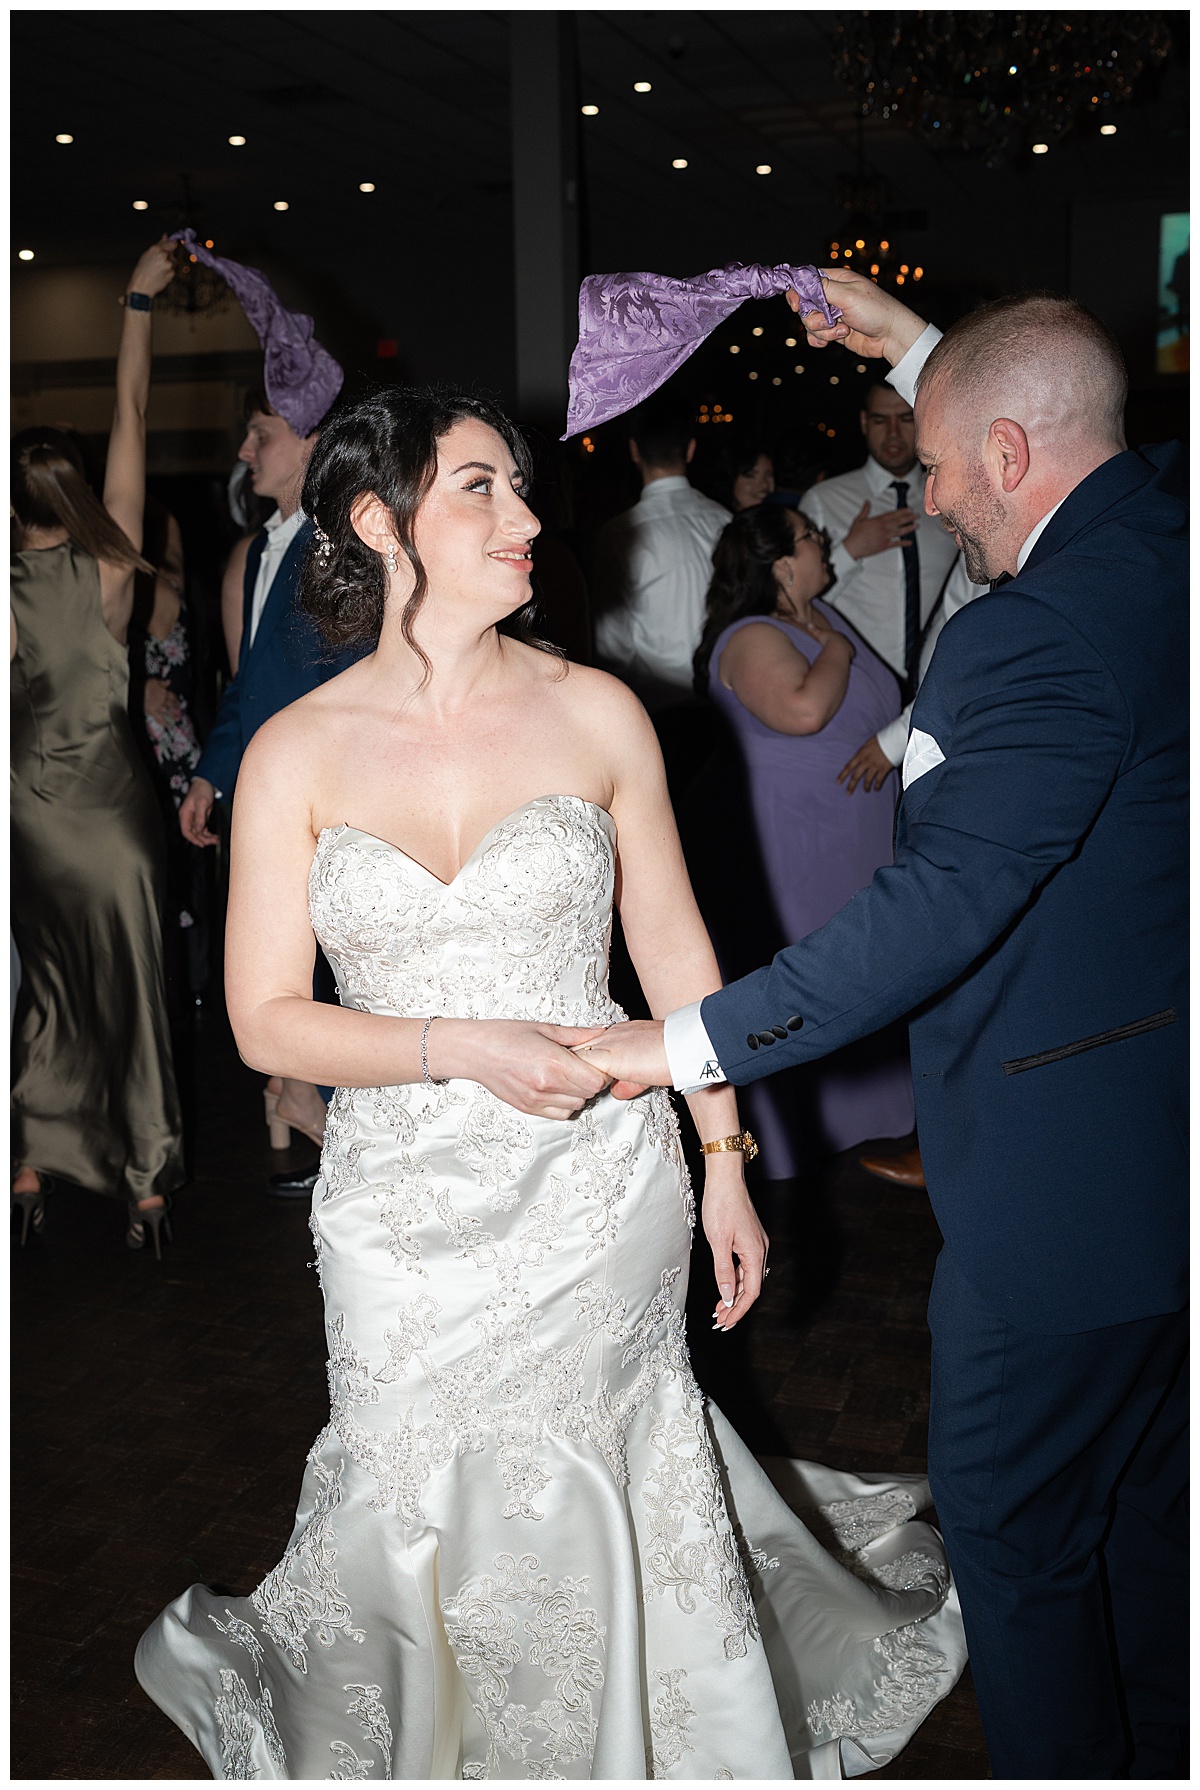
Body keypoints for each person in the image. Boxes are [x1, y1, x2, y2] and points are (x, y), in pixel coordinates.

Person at [134, 385, 964, 1780]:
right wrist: (453, 1042)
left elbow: (679, 953)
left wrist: (720, 1163)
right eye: (481, 489)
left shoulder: (600, 713)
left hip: (596, 1188)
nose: (527, 517)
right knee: (410, 1474)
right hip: (397, 1206)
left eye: (520, 488)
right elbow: (266, 1022)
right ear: (375, 521)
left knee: (610, 1459)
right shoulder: (294, 750)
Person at [580, 268, 1188, 1780]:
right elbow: (1049, 411)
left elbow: (942, 905)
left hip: (1063, 1178)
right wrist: (927, 353)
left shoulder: (1026, 632)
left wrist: (685, 1044)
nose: (931, 498)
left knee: (1007, 1519)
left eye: (939, 461)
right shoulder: (1165, 537)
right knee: (1144, 1502)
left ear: (1000, 453)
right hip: (1162, 1147)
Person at [10, 238, 184, 1255]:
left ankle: (31, 1162)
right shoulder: (113, 565)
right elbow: (133, 411)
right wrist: (136, 299)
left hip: (30, 806)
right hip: (114, 806)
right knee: (136, 987)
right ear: (73, 494)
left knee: (51, 981)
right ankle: (148, 1183)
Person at [688, 503, 912, 1176]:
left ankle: (875, 1114)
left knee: (868, 971)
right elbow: (803, 710)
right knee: (813, 977)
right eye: (813, 539)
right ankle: (798, 1134)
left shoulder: (822, 617)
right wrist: (837, 649)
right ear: (782, 563)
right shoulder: (754, 635)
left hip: (854, 839)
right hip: (798, 844)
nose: (825, 547)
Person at [180, 389, 356, 1179]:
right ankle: (297, 1102)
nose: (246, 451)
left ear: (313, 439)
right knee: (276, 954)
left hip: (331, 782)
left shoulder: (347, 542)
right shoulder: (255, 552)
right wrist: (212, 776)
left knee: (332, 957)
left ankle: (321, 1112)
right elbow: (248, 681)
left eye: (261, 433)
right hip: (263, 787)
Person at [802, 380, 958, 698]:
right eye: (879, 420)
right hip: (854, 685)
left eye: (904, 419)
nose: (892, 433)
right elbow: (795, 602)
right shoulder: (824, 500)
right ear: (863, 423)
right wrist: (849, 551)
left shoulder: (951, 498)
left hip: (939, 684)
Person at [592, 399, 730, 709]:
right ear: (691, 449)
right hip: (725, 693)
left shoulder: (621, 533)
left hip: (659, 703)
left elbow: (613, 644)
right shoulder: (723, 519)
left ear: (634, 451)